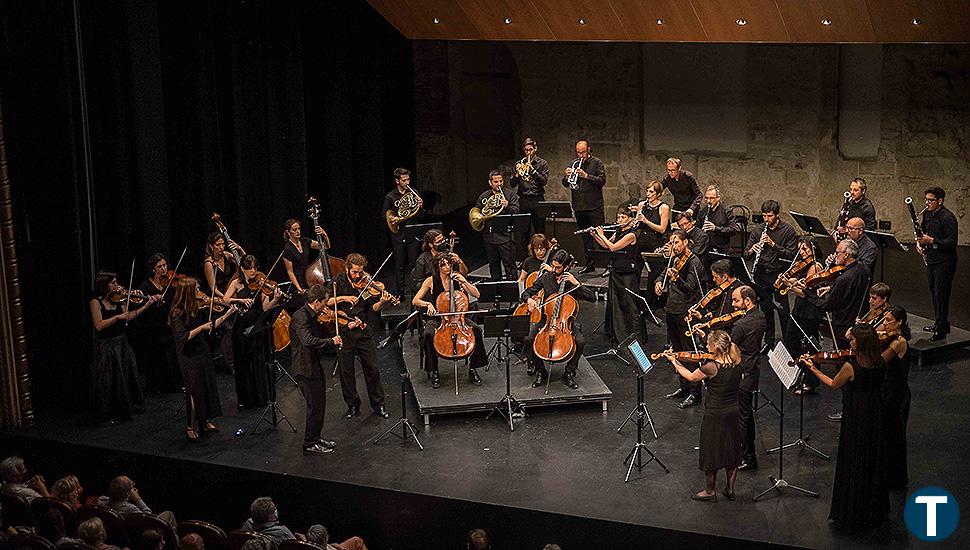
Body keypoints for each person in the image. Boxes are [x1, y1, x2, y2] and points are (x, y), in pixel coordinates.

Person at [802, 324, 888, 529]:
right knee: (871, 455)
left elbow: (832, 384)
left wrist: (812, 368)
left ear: (861, 342)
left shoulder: (851, 367)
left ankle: (851, 508)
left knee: (854, 454)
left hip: (856, 413)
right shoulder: (881, 361)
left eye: (853, 340)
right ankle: (872, 507)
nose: (850, 342)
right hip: (874, 411)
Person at [663, 330, 743, 501]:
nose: (706, 346)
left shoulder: (711, 367)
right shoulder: (737, 362)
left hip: (715, 413)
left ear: (715, 347)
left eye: (708, 344)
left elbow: (691, 377)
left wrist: (674, 361)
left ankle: (710, 491)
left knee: (711, 450)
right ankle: (730, 489)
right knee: (732, 448)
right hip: (733, 411)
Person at [169, 277, 235, 440]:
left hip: (203, 350)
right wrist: (201, 328)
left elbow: (211, 325)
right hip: (189, 355)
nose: (200, 293)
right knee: (193, 390)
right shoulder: (177, 313)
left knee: (206, 386)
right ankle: (190, 425)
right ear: (188, 292)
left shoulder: (198, 308)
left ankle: (205, 420)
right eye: (197, 289)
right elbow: (182, 337)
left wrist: (228, 313)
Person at [521, 249, 598, 389]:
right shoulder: (546, 278)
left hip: (565, 322)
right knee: (528, 339)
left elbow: (592, 298)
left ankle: (568, 372)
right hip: (547, 320)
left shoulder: (571, 282)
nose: (555, 269)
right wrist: (528, 300)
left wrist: (577, 284)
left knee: (580, 342)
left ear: (567, 267)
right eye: (553, 265)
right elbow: (527, 292)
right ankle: (540, 371)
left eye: (558, 267)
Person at [89, 271, 159, 423]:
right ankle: (107, 413)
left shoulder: (120, 300)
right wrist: (117, 317)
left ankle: (125, 409)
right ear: (104, 285)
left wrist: (147, 304)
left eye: (116, 282)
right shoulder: (96, 302)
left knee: (126, 376)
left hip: (122, 343)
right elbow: (99, 325)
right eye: (113, 282)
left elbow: (129, 316)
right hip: (107, 347)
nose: (117, 285)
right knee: (109, 381)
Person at [413, 253, 488, 388]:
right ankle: (434, 370)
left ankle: (473, 368)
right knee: (428, 334)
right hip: (439, 318)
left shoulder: (457, 278)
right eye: (443, 265)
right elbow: (415, 300)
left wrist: (464, 281)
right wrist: (428, 304)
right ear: (438, 267)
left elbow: (477, 294)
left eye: (448, 264)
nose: (447, 267)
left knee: (476, 329)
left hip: (459, 318)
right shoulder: (431, 280)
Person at [329, 254, 390, 418]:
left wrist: (383, 302)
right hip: (344, 332)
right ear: (347, 268)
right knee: (346, 372)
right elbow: (325, 302)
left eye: (360, 272)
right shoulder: (337, 282)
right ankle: (353, 405)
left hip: (363, 330)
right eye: (355, 272)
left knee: (372, 369)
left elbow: (374, 308)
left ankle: (379, 405)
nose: (358, 276)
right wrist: (343, 297)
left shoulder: (366, 282)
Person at [224, 255, 287, 409]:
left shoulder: (262, 282)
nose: (253, 271)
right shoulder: (237, 283)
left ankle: (261, 397)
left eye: (255, 268)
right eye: (250, 268)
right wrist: (239, 300)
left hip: (257, 324)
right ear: (243, 269)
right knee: (243, 361)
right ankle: (245, 399)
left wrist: (276, 299)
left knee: (258, 360)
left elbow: (266, 307)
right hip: (241, 325)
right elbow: (225, 299)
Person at [290, 284, 343, 455]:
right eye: (325, 302)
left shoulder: (312, 315)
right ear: (317, 302)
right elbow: (307, 340)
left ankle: (316, 438)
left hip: (313, 365)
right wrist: (331, 341)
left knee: (320, 404)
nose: (326, 306)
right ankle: (309, 442)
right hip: (304, 367)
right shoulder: (301, 317)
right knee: (314, 405)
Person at [656, 231, 704, 408]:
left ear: (686, 243)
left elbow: (691, 289)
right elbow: (663, 274)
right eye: (672, 243)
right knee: (676, 350)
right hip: (672, 309)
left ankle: (695, 392)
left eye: (677, 243)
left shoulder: (694, 262)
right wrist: (659, 282)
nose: (674, 246)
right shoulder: (674, 259)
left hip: (685, 311)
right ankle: (683, 386)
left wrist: (677, 278)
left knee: (689, 352)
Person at [743, 200, 797, 347]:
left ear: (777, 215)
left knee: (783, 310)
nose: (766, 219)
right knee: (766, 310)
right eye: (764, 216)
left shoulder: (788, 230)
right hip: (761, 274)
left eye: (770, 216)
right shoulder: (758, 230)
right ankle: (769, 342)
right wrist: (752, 249)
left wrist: (774, 245)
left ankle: (788, 344)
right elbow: (746, 254)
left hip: (778, 275)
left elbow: (791, 255)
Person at [592, 206, 643, 346]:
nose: (619, 220)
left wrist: (601, 234)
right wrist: (595, 236)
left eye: (623, 217)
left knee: (629, 305)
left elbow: (614, 247)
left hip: (628, 274)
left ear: (631, 219)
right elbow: (607, 245)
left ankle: (633, 334)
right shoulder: (619, 230)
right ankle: (615, 332)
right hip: (617, 270)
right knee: (616, 303)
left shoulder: (631, 235)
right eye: (618, 217)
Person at [727, 286, 765, 471]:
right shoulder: (760, 316)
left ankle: (747, 457)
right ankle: (749, 455)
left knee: (742, 417)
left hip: (742, 375)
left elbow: (729, 353)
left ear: (747, 301)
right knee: (747, 415)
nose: (733, 304)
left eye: (736, 300)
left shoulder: (740, 326)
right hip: (753, 370)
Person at [782, 236, 825, 394]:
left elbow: (803, 293)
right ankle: (802, 371)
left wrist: (788, 284)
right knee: (792, 340)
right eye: (800, 249)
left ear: (813, 248)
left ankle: (811, 380)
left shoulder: (816, 266)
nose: (803, 252)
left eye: (806, 249)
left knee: (809, 346)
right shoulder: (804, 265)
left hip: (810, 311)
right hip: (801, 310)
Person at [133, 253, 181, 394]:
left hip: (169, 323)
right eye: (159, 266)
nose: (164, 269)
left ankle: (174, 383)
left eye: (165, 265)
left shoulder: (171, 282)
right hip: (153, 325)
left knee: (171, 356)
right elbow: (141, 307)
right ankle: (157, 386)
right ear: (153, 269)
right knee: (156, 356)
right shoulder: (145, 286)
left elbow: (176, 302)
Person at [917, 186, 958, 341]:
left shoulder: (948, 217)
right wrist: (919, 243)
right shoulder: (927, 214)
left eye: (931, 200)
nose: (927, 203)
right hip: (932, 259)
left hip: (945, 261)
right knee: (934, 292)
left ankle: (941, 329)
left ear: (940, 201)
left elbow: (951, 242)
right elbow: (921, 232)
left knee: (942, 294)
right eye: (926, 200)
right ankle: (941, 323)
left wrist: (931, 240)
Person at [203, 232, 245, 373]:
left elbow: (245, 263)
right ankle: (231, 363)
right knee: (226, 328)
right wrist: (226, 298)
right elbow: (213, 288)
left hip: (230, 293)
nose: (221, 247)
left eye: (223, 244)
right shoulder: (209, 264)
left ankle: (240, 357)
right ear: (211, 246)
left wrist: (239, 249)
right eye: (218, 245)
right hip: (218, 299)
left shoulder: (227, 255)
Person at [562, 140, 606, 273]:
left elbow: (602, 180)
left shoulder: (596, 163)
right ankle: (589, 264)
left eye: (583, 152)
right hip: (579, 207)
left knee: (600, 237)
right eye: (578, 152)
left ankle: (607, 266)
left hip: (594, 207)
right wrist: (566, 176)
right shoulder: (574, 163)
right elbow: (565, 183)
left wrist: (586, 176)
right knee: (585, 238)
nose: (581, 155)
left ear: (589, 150)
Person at [880, 306, 912, 491]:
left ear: (899, 322)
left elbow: (881, 360)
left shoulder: (898, 341)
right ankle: (887, 474)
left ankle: (896, 479)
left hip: (897, 394)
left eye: (888, 321)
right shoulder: (888, 336)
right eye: (884, 320)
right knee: (887, 435)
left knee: (895, 436)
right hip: (888, 390)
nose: (884, 324)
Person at [382, 168, 424, 296]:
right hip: (398, 233)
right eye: (404, 180)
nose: (407, 182)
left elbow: (420, 216)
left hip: (412, 232)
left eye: (408, 179)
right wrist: (396, 219)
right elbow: (385, 216)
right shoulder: (390, 197)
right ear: (397, 181)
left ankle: (413, 291)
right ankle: (400, 292)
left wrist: (421, 207)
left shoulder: (414, 193)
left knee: (413, 264)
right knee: (399, 264)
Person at [476, 169, 520, 281]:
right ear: (490, 182)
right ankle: (497, 290)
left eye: (501, 181)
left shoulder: (510, 194)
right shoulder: (484, 196)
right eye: (496, 182)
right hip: (489, 235)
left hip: (505, 236)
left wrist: (507, 206)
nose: (499, 184)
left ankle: (512, 290)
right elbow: (478, 213)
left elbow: (516, 211)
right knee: (493, 266)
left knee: (510, 265)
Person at [632, 180, 670, 305]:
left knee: (653, 274)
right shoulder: (642, 204)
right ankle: (635, 300)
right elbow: (638, 223)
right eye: (647, 191)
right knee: (636, 270)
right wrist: (634, 223)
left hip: (656, 241)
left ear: (658, 194)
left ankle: (651, 303)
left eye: (651, 192)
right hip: (642, 240)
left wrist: (646, 221)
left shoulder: (663, 207)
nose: (648, 194)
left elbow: (662, 229)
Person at [509, 137, 550, 250]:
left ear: (535, 149)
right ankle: (525, 259)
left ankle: (542, 256)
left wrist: (533, 171)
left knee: (540, 231)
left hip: (538, 199)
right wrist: (516, 175)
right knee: (524, 231)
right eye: (526, 150)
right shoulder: (519, 163)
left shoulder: (542, 163)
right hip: (523, 199)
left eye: (530, 150)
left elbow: (544, 181)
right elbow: (512, 184)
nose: (528, 152)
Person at [97, 476, 176, 529]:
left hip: (118, 530)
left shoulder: (101, 501)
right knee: (169, 514)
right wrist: (137, 499)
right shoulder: (131, 509)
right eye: (132, 486)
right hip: (143, 531)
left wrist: (125, 495)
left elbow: (114, 498)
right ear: (128, 493)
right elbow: (148, 517)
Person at [282, 217, 331, 297]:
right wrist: (299, 288)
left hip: (310, 278)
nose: (298, 232)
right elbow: (290, 272)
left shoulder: (304, 241)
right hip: (299, 282)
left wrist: (324, 234)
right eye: (294, 230)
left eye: (299, 229)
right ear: (288, 232)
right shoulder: (288, 249)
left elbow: (325, 246)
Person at [689, 258, 741, 322]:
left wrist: (702, 318)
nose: (713, 279)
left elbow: (723, 319)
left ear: (725, 277)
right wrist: (712, 313)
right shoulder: (724, 288)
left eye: (716, 277)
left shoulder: (737, 292)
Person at [698, 184, 739, 254]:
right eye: (706, 198)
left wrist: (715, 228)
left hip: (722, 249)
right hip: (706, 249)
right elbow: (697, 228)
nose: (708, 201)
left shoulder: (726, 211)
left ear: (718, 198)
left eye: (711, 198)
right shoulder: (703, 211)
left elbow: (733, 230)